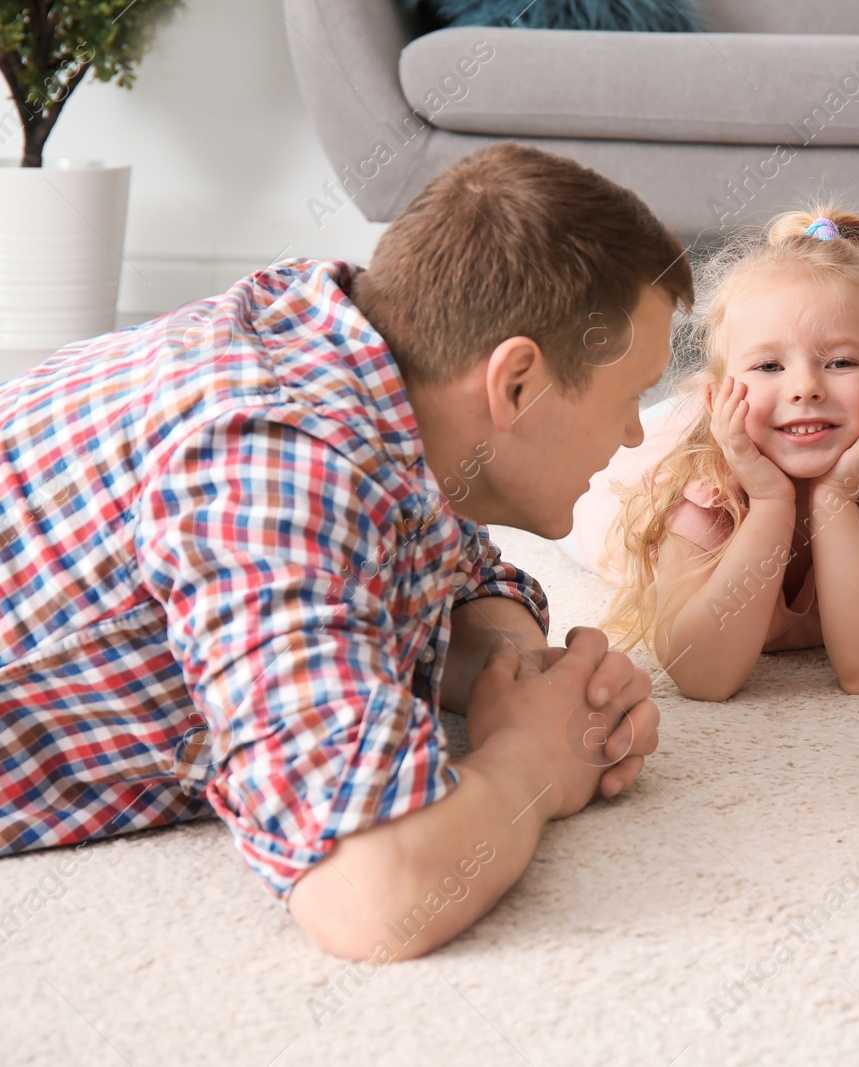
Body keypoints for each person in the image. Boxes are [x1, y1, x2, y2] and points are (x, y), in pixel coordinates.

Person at [0, 142, 691, 959]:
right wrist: (530, 763)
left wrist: (521, 672)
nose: (636, 434)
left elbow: (448, 564)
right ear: (516, 384)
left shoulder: (347, 344)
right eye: (631, 395)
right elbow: (371, 894)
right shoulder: (276, 468)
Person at [560, 208, 859, 701]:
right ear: (718, 399)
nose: (805, 387)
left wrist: (836, 500)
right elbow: (703, 678)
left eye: (841, 361)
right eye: (768, 364)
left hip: (792, 432)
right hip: (652, 462)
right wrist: (769, 501)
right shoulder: (697, 489)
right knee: (576, 501)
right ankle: (682, 409)